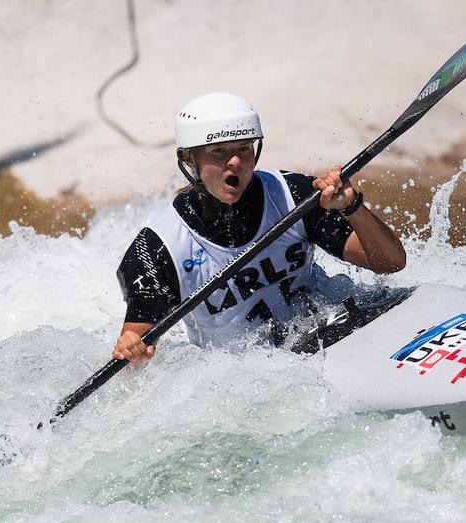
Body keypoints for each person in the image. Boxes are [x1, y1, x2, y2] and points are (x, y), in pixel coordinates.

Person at [114, 92, 406, 364]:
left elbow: (391, 262)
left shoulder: (293, 195)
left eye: (244, 148)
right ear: (189, 159)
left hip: (329, 329)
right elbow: (135, 350)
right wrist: (132, 349)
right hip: (249, 376)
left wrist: (352, 207)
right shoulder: (156, 250)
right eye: (219, 152)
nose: (236, 162)